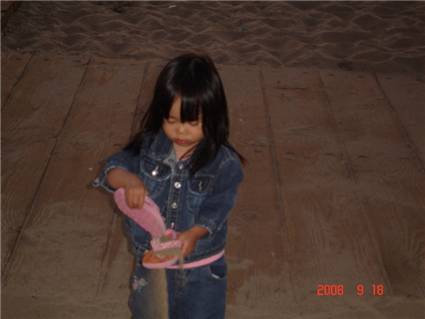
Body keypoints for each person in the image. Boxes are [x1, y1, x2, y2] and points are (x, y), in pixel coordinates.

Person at [92, 53, 244, 319]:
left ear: (214, 117)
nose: (180, 132)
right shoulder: (149, 147)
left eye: (192, 123)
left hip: (201, 269)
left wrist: (195, 233)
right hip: (152, 265)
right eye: (171, 121)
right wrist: (129, 181)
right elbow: (111, 171)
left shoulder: (223, 163)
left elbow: (219, 207)